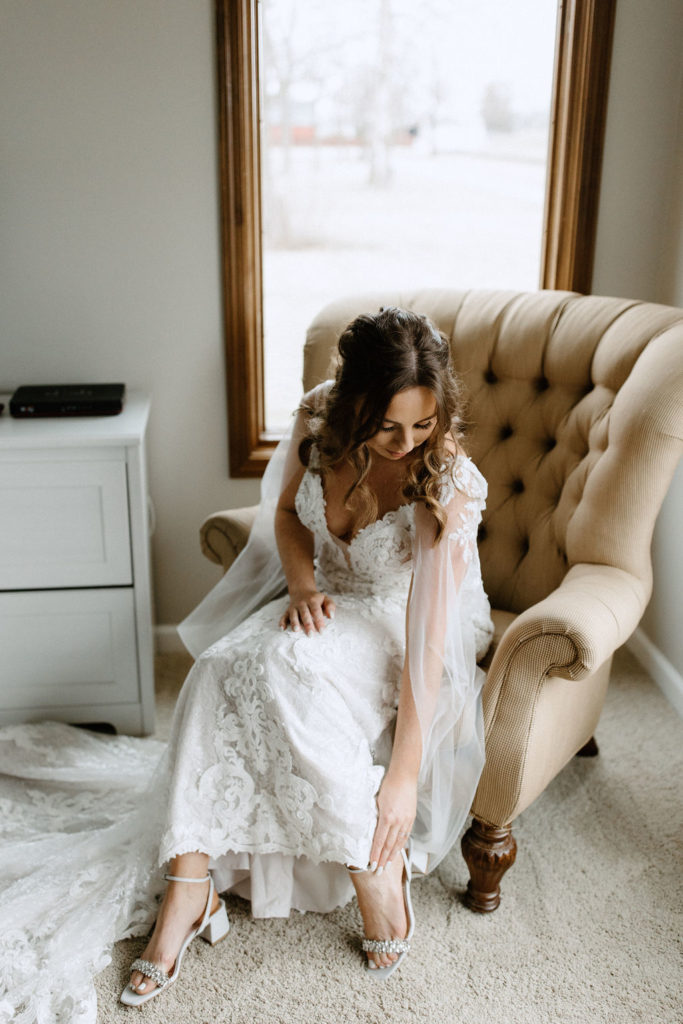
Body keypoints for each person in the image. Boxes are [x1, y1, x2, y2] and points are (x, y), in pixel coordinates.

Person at [121, 305, 493, 1004]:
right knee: (217, 668)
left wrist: (403, 776)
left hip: (399, 617)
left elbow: (425, 637)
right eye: (387, 426)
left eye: (421, 424)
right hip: (322, 597)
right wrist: (300, 584)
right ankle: (187, 890)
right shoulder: (318, 418)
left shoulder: (444, 478)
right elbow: (289, 513)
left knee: (284, 670)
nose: (404, 442)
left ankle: (369, 866)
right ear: (353, 404)